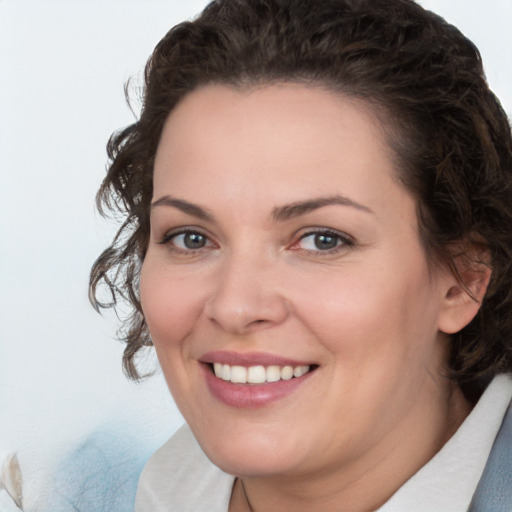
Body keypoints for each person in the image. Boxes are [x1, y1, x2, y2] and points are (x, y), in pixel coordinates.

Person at [89, 0, 512, 510]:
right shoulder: (65, 491)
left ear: (462, 278)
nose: (235, 306)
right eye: (192, 238)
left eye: (322, 239)